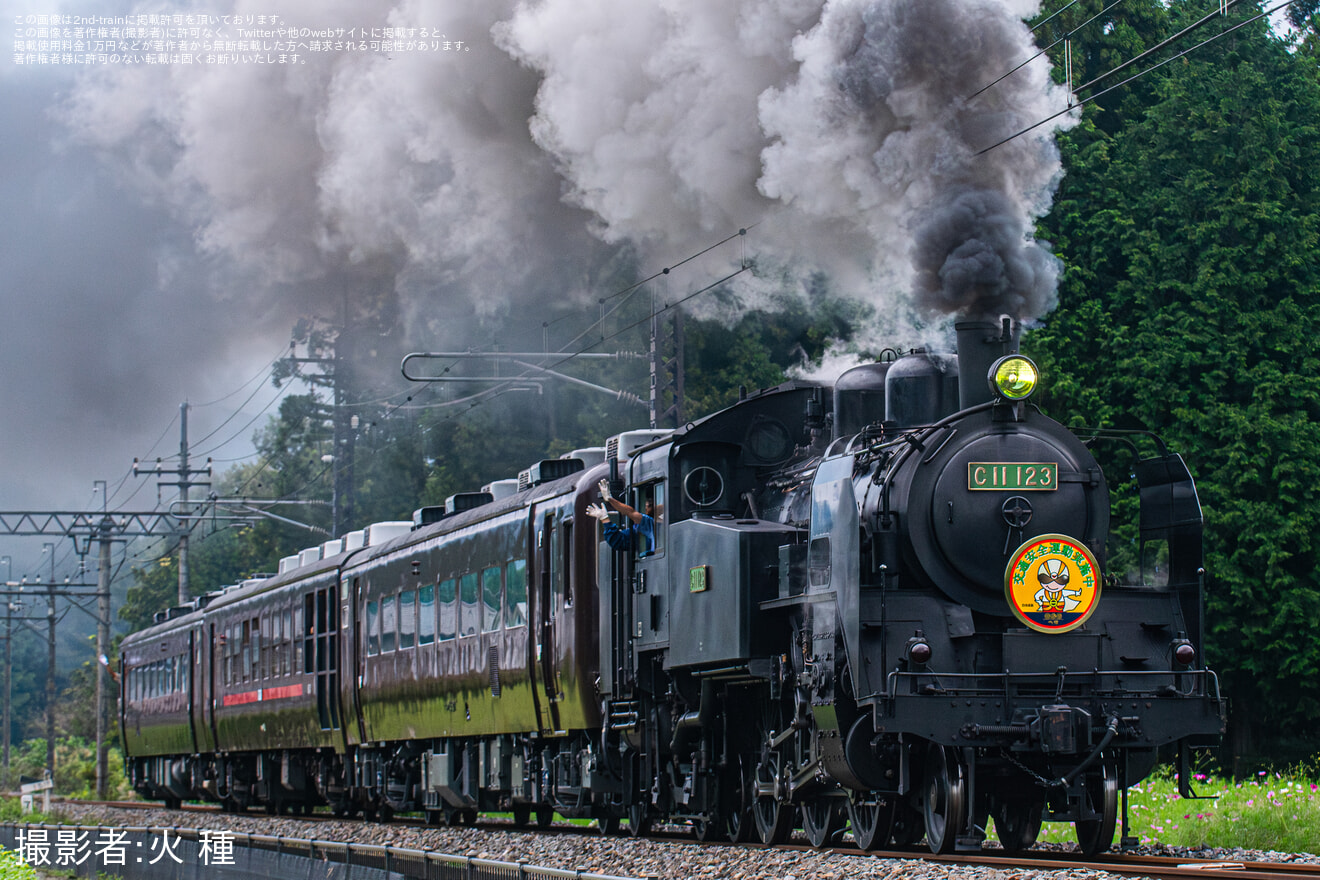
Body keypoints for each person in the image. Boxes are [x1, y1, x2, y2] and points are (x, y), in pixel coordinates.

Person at [587, 479, 657, 555]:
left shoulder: (653, 523)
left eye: (651, 503)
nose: (648, 506)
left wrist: (610, 500)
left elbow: (631, 512)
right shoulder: (648, 524)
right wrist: (605, 519)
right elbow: (617, 540)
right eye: (647, 503)